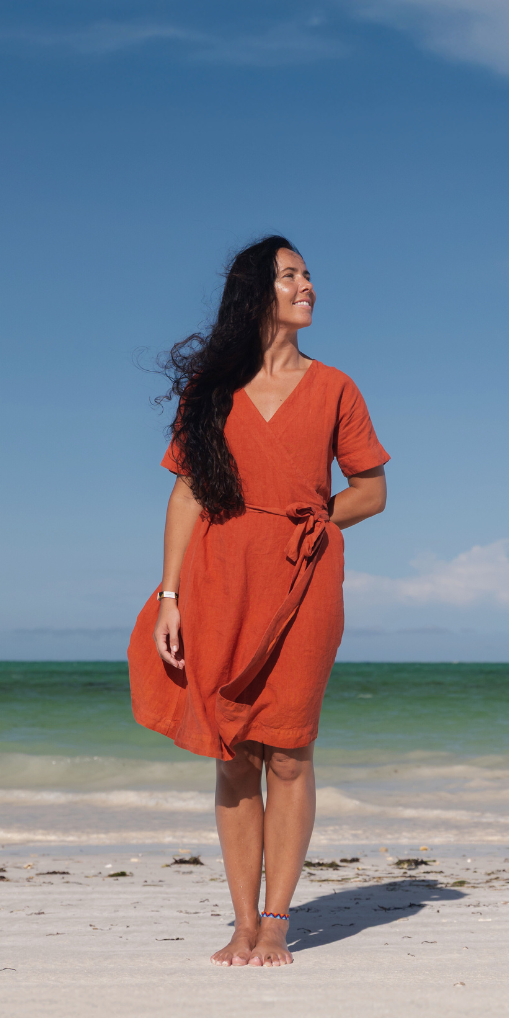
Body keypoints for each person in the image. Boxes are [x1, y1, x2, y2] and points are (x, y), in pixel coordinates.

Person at [127, 236, 390, 967]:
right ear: (255, 292)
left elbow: (372, 492)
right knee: (234, 752)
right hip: (218, 579)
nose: (308, 286)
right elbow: (186, 494)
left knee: (291, 752)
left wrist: (311, 523)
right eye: (290, 275)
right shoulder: (211, 390)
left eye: (308, 275)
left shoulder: (335, 387)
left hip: (305, 582)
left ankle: (277, 922)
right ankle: (242, 922)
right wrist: (171, 594)